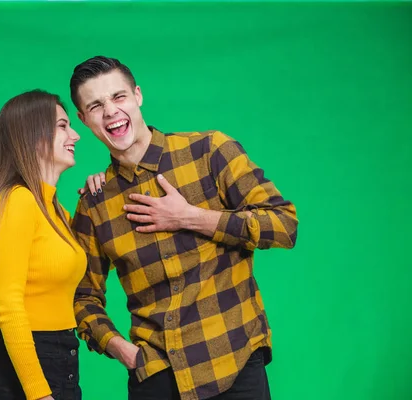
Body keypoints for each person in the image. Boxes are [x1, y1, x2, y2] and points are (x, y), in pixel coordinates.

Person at [69, 56, 299, 400]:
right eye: (96, 105)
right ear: (84, 119)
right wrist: (122, 350)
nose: (111, 112)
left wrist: (191, 217)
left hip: (233, 365)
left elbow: (284, 225)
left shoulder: (210, 152)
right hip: (157, 378)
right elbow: (81, 296)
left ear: (137, 95)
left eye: (119, 97)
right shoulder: (95, 203)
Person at [0, 90, 86, 400]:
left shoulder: (60, 213)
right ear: (33, 135)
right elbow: (8, 305)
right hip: (23, 362)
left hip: (61, 354)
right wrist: (39, 394)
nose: (75, 135)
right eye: (63, 126)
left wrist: (102, 194)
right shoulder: (17, 201)